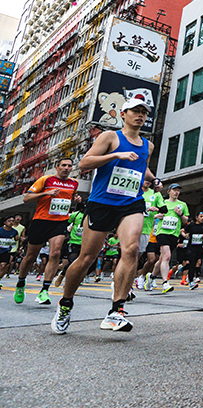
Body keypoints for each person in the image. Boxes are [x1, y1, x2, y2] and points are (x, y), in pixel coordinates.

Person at [51, 97, 155, 334]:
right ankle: (66, 302)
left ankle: (116, 311)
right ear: (123, 113)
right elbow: (85, 163)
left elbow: (142, 167)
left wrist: (153, 179)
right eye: (135, 111)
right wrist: (114, 156)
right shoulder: (110, 137)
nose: (140, 115)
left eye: (143, 113)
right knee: (87, 258)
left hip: (131, 201)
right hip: (102, 202)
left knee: (131, 250)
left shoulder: (147, 145)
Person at [15, 157, 79, 305]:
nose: (66, 168)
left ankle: (44, 290)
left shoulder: (73, 183)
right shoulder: (46, 180)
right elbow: (27, 198)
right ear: (57, 167)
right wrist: (46, 193)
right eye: (63, 165)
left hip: (60, 222)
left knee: (55, 253)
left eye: (69, 166)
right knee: (31, 256)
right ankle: (20, 282)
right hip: (41, 221)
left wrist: (76, 198)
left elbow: (71, 196)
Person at [152, 183, 189, 294]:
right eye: (174, 190)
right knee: (167, 257)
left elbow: (185, 220)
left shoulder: (182, 204)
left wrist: (181, 214)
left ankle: (151, 277)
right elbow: (151, 216)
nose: (176, 192)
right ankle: (165, 283)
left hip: (174, 234)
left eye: (178, 190)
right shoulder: (162, 203)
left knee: (162, 259)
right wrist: (156, 216)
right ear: (168, 192)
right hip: (162, 232)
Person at [136, 178, 164, 290]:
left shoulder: (159, 198)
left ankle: (150, 278)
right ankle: (140, 277)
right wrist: (155, 216)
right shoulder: (141, 193)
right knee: (149, 259)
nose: (157, 184)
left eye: (159, 183)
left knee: (156, 260)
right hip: (148, 234)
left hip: (159, 236)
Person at [185, 211, 203, 290]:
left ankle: (182, 268)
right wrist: (185, 235)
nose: (202, 218)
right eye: (201, 216)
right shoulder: (191, 226)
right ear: (196, 217)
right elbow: (183, 231)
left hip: (200, 247)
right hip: (191, 247)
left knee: (197, 262)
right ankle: (191, 281)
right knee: (192, 263)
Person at [0, 216, 20, 287]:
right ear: (5, 222)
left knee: (3, 265)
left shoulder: (14, 231)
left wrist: (17, 238)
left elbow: (16, 239)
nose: (11, 222)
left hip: (6, 250)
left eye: (12, 221)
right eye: (9, 221)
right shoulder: (0, 230)